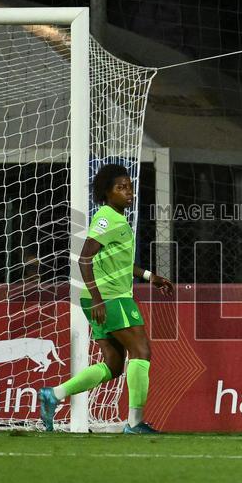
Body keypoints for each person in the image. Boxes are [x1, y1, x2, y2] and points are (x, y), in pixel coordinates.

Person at [37, 164, 174, 433]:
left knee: (113, 365)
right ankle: (134, 423)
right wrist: (99, 299)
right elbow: (84, 258)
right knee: (141, 351)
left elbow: (119, 263)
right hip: (110, 298)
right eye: (120, 188)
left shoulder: (117, 219)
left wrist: (148, 276)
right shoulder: (107, 218)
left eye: (130, 187)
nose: (128, 192)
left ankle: (53, 395)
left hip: (101, 298)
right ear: (106, 193)